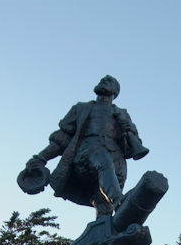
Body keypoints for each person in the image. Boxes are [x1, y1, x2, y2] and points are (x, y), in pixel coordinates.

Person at [19, 75, 149, 215]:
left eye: (108, 81)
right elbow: (62, 137)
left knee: (104, 205)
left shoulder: (122, 114)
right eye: (102, 80)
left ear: (115, 91)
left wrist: (127, 131)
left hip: (116, 161)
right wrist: (41, 158)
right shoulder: (81, 108)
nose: (103, 81)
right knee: (103, 160)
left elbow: (130, 150)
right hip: (87, 152)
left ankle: (103, 230)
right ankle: (118, 199)